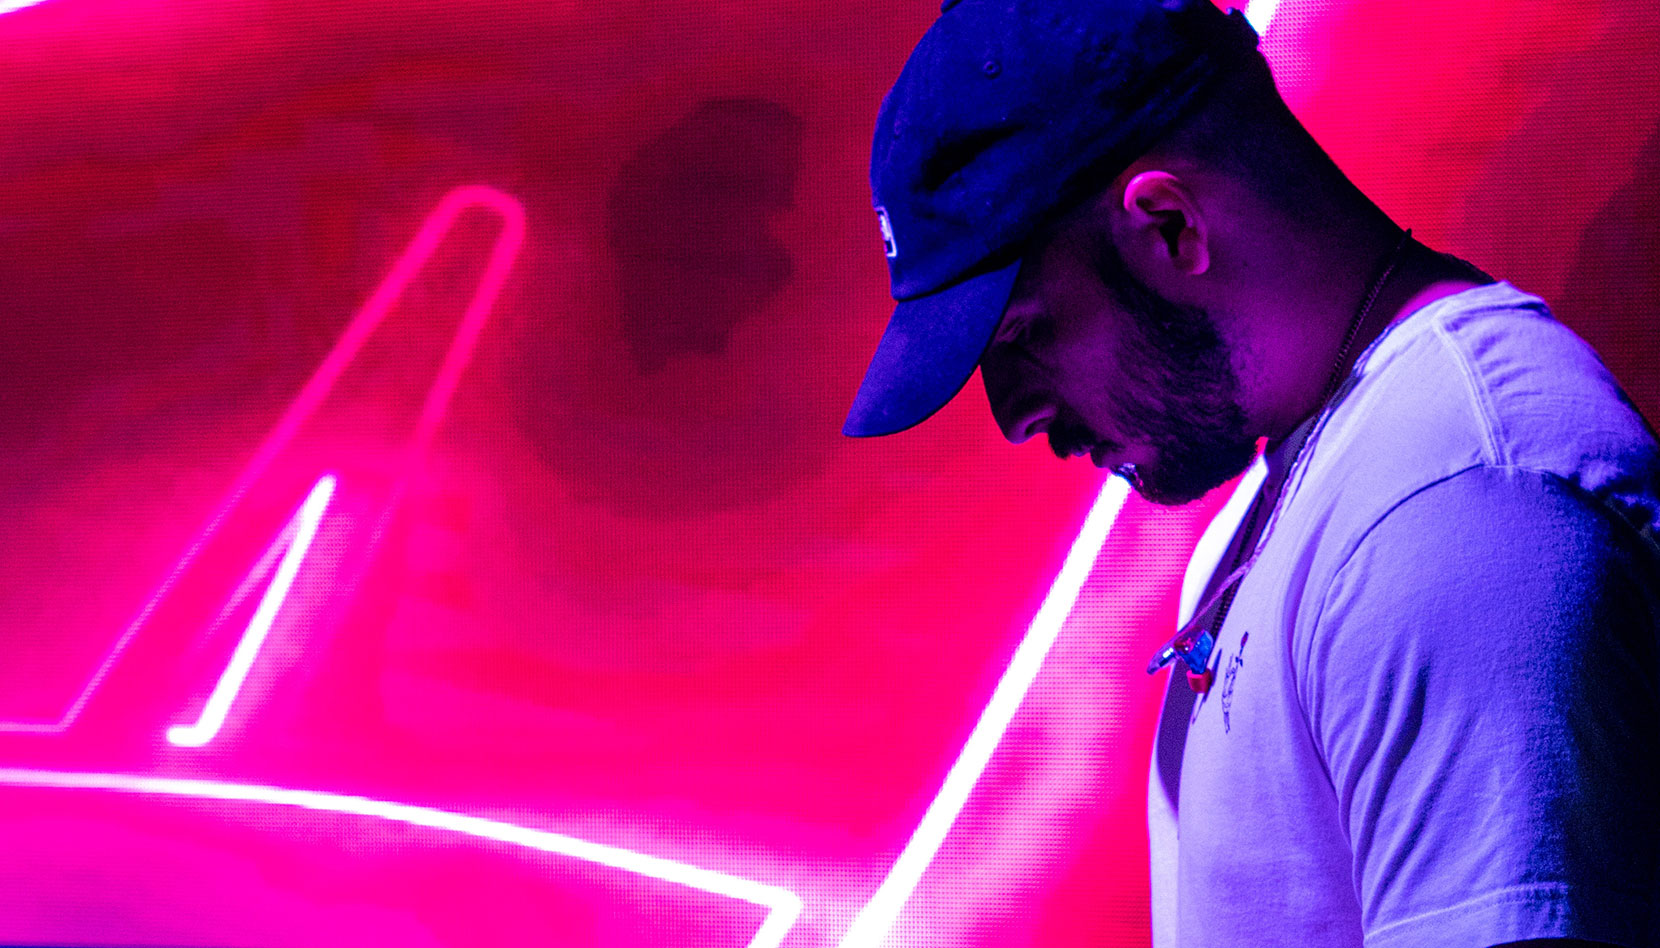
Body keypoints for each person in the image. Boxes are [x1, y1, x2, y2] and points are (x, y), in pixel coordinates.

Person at [841, 1, 1660, 946]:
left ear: (1169, 227)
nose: (1017, 415)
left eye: (1023, 334)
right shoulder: (1325, 488)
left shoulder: (1460, 515)